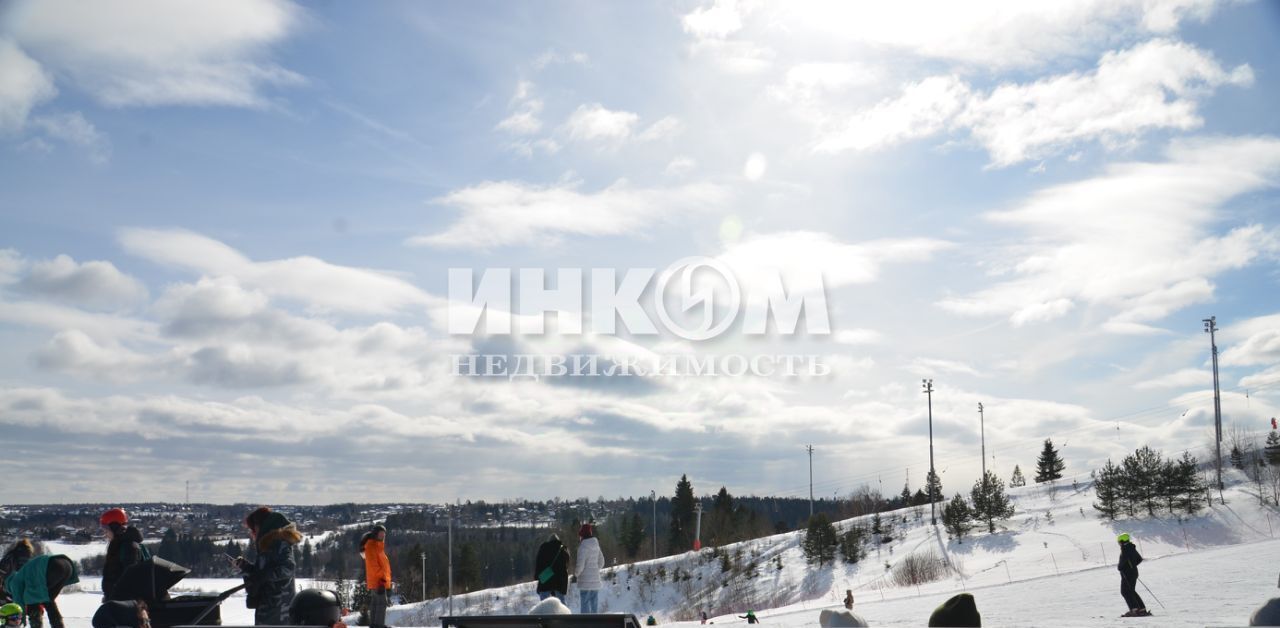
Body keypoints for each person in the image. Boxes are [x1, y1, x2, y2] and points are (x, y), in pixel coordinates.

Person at [235, 506, 303, 625]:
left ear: (263, 526)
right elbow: (261, 572)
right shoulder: (268, 547)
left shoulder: (280, 544)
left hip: (279, 609)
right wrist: (246, 567)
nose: (253, 533)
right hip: (267, 607)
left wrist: (264, 575)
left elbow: (288, 568)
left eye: (254, 528)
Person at [99, 508, 146, 601]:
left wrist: (116, 599)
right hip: (117, 601)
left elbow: (130, 580)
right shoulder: (119, 545)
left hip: (125, 604)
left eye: (106, 529)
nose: (104, 533)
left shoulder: (129, 547)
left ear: (115, 528)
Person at [361, 524, 392, 628]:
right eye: (380, 534)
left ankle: (374, 624)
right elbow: (373, 566)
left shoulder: (378, 546)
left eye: (384, 534)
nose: (383, 536)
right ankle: (378, 625)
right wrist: (382, 578)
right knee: (381, 603)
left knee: (375, 603)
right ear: (375, 534)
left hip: (378, 580)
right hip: (378, 581)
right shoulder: (371, 546)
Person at [1116, 533, 1150, 618]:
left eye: (1119, 542)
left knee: (1125, 591)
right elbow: (1139, 559)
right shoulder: (1131, 547)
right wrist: (1132, 566)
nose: (1119, 543)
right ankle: (1141, 609)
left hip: (1127, 574)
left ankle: (1134, 610)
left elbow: (1122, 562)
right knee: (1131, 591)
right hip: (1133, 572)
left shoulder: (1125, 548)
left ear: (1122, 541)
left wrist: (1121, 567)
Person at [574, 524, 604, 613]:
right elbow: (602, 562)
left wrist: (576, 574)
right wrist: (595, 569)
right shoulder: (596, 545)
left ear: (582, 535)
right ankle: (594, 623)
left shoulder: (582, 547)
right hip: (595, 580)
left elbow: (580, 565)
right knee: (594, 604)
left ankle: (585, 623)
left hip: (585, 581)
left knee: (585, 604)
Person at [534, 534, 569, 602]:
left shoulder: (543, 548)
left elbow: (539, 563)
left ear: (549, 541)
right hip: (559, 581)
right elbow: (567, 564)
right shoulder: (563, 549)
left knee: (544, 603)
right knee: (561, 604)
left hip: (546, 579)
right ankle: (563, 612)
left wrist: (537, 576)